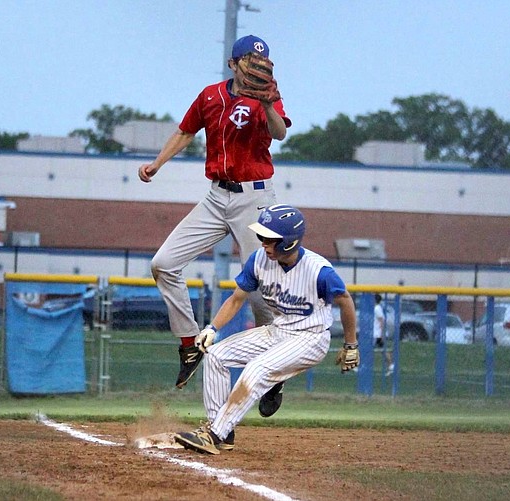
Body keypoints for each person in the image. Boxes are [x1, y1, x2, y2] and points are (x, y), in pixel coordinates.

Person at [137, 35, 292, 389]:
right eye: (249, 61)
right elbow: (185, 131)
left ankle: (272, 371)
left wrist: (268, 104)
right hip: (216, 196)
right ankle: (190, 345)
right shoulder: (210, 95)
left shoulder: (267, 97)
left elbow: (279, 133)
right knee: (163, 264)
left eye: (261, 62)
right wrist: (157, 164)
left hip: (254, 198)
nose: (256, 67)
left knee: (257, 288)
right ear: (232, 63)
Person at [173, 204, 360, 454]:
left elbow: (345, 300)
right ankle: (222, 431)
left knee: (256, 368)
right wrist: (212, 328)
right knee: (216, 356)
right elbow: (237, 299)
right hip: (278, 331)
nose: (263, 244)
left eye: (269, 239)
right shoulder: (259, 260)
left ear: (288, 242)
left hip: (310, 338)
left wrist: (350, 344)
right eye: (262, 237)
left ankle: (213, 434)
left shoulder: (319, 271)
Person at [373, 293, 394, 376]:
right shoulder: (376, 308)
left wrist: (381, 334)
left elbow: (381, 320)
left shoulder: (377, 308)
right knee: (383, 351)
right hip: (376, 334)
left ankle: (391, 366)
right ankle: (391, 366)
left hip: (377, 335)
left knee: (383, 351)